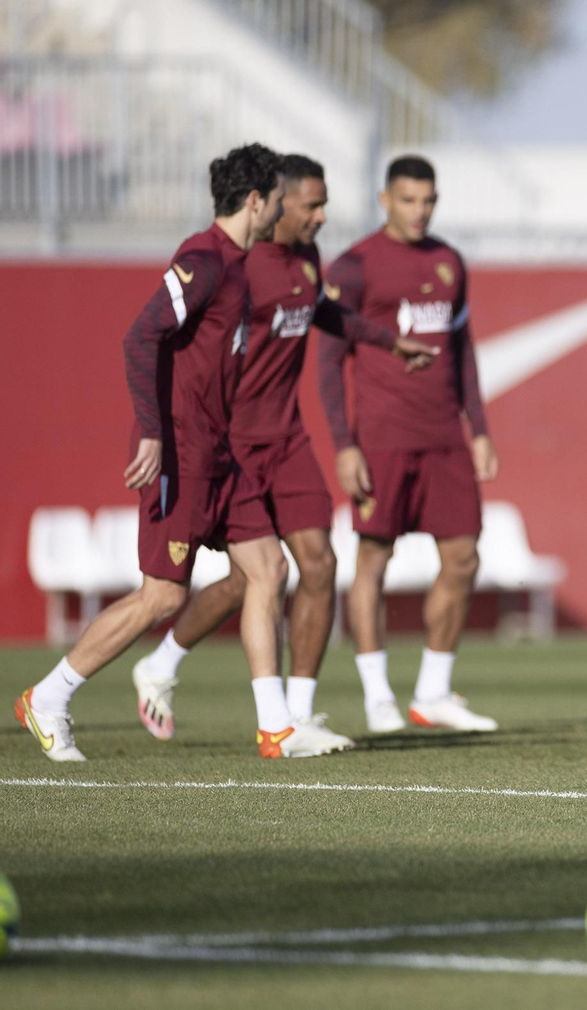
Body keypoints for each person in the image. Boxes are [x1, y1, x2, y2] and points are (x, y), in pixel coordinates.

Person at [127, 155, 439, 751]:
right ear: (274, 203)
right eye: (312, 204)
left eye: (324, 204)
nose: (322, 215)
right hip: (233, 442)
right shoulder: (238, 268)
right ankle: (163, 663)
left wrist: (386, 341)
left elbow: (320, 311)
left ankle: (298, 713)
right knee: (251, 582)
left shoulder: (306, 258)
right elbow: (165, 338)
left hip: (288, 438)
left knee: (318, 564)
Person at [14, 144, 310, 760]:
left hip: (222, 455)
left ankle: (276, 727)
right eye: (279, 197)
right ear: (255, 201)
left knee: (268, 569)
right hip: (182, 453)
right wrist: (152, 430)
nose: (283, 207)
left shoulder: (238, 265)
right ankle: (48, 697)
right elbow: (139, 334)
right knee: (164, 596)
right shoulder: (203, 260)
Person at [318, 155, 500, 734]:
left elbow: (463, 350)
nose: (420, 211)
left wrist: (478, 430)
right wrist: (344, 444)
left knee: (464, 557)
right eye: (408, 200)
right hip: (382, 437)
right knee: (373, 558)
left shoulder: (449, 262)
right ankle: (377, 696)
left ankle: (433, 692)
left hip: (445, 436)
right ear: (385, 200)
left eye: (428, 201)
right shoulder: (353, 268)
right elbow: (328, 360)